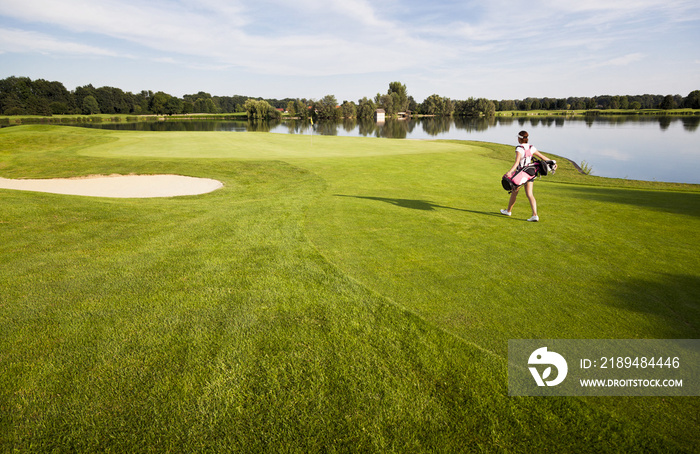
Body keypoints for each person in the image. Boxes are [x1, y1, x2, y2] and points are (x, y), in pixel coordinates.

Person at [500, 130, 556, 222]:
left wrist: (510, 172)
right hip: (530, 174)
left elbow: (517, 162)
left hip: (520, 176)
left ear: (519, 139)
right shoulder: (531, 147)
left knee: (514, 192)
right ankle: (534, 215)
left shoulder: (519, 149)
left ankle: (508, 211)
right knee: (530, 194)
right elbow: (543, 157)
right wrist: (553, 162)